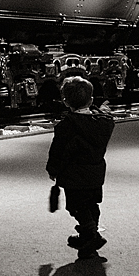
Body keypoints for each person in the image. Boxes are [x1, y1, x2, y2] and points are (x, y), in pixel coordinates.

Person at [46, 76, 116, 261]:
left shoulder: (67, 126)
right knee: (92, 205)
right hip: (95, 173)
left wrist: (52, 169)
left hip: (74, 176)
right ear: (91, 100)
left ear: (65, 101)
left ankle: (92, 236)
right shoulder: (102, 123)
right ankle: (87, 242)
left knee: (77, 207)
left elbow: (58, 151)